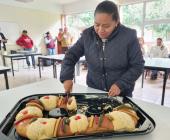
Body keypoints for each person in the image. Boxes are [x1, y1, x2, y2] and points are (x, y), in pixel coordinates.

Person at [60, 1, 144, 97]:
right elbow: (71, 55)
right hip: (94, 91)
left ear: (116, 22)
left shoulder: (128, 36)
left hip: (121, 93)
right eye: (97, 24)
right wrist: (67, 77)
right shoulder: (87, 35)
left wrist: (120, 84)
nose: (100, 30)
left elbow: (138, 65)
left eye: (106, 26)